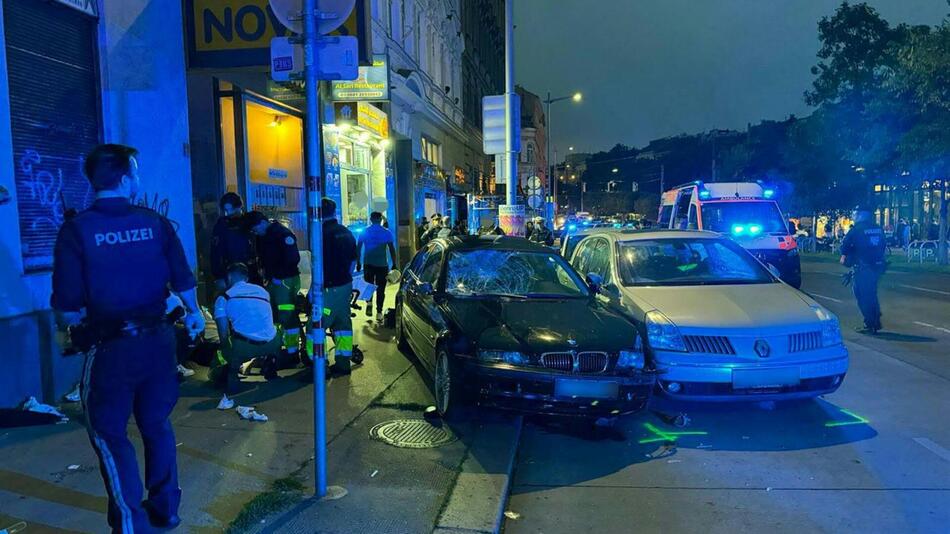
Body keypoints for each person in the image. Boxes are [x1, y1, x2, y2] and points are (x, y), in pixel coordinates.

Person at [51, 144, 204, 532]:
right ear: (124, 177)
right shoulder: (155, 223)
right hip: (158, 345)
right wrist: (196, 314)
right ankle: (167, 510)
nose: (138, 180)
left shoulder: (77, 230)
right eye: (135, 173)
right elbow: (184, 280)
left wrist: (71, 325)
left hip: (111, 350)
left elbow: (67, 308)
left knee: (108, 432)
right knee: (156, 424)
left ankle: (131, 523)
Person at [212, 263, 281, 419]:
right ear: (247, 278)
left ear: (229, 278)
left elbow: (223, 333)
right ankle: (269, 361)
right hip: (273, 342)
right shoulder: (263, 291)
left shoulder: (224, 298)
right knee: (275, 329)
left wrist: (227, 352)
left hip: (244, 347)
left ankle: (232, 376)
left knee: (220, 355)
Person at [248, 211, 302, 363]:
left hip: (285, 280)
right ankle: (277, 349)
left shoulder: (282, 234)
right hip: (274, 281)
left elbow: (293, 258)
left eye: (254, 228)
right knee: (275, 317)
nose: (255, 232)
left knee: (288, 316)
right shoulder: (263, 236)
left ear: (262, 222)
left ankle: (292, 353)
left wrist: (277, 276)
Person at [322, 198, 359, 373]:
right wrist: (346, 277)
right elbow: (353, 259)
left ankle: (319, 365)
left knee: (315, 326)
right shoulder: (346, 232)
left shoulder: (321, 233)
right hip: (345, 285)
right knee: (342, 325)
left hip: (329, 287)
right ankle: (343, 363)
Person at [840, 205, 887, 334]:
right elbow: (883, 245)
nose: (854, 216)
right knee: (871, 293)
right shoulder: (878, 228)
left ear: (861, 215)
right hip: (877, 266)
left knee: (862, 295)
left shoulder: (856, 230)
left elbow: (845, 247)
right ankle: (875, 320)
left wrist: (845, 259)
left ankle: (870, 323)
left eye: (855, 213)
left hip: (863, 267)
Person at [210, 192, 259, 289]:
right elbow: (215, 252)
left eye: (231, 209)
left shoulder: (250, 221)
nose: (229, 213)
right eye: (226, 210)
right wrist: (218, 275)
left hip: (251, 271)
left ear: (239, 207)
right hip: (230, 271)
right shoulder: (222, 225)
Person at [356, 211, 397, 321]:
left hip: (368, 263)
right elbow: (392, 249)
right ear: (380, 219)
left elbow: (358, 247)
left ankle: (369, 303)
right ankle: (379, 312)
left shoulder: (365, 231)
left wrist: (358, 262)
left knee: (369, 285)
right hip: (382, 265)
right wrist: (394, 263)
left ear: (370, 219)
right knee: (381, 288)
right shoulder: (386, 232)